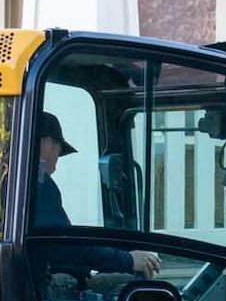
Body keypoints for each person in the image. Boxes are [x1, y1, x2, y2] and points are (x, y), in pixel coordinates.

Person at [33, 110, 161, 276]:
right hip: (44, 284)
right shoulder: (38, 183)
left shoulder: (16, 180)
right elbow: (63, 246)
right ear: (46, 143)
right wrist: (128, 260)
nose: (57, 159)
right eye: (59, 149)